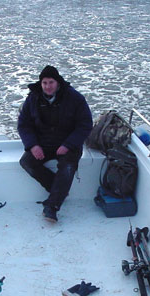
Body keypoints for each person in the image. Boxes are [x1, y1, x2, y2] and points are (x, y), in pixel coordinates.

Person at [18, 65, 93, 223]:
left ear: (58, 82)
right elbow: (24, 124)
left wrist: (68, 145)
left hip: (69, 143)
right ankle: (58, 190)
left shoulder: (75, 98)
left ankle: (52, 207)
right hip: (43, 142)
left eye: (51, 82)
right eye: (44, 82)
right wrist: (33, 145)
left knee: (67, 167)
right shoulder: (33, 98)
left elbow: (85, 125)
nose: (47, 86)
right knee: (26, 162)